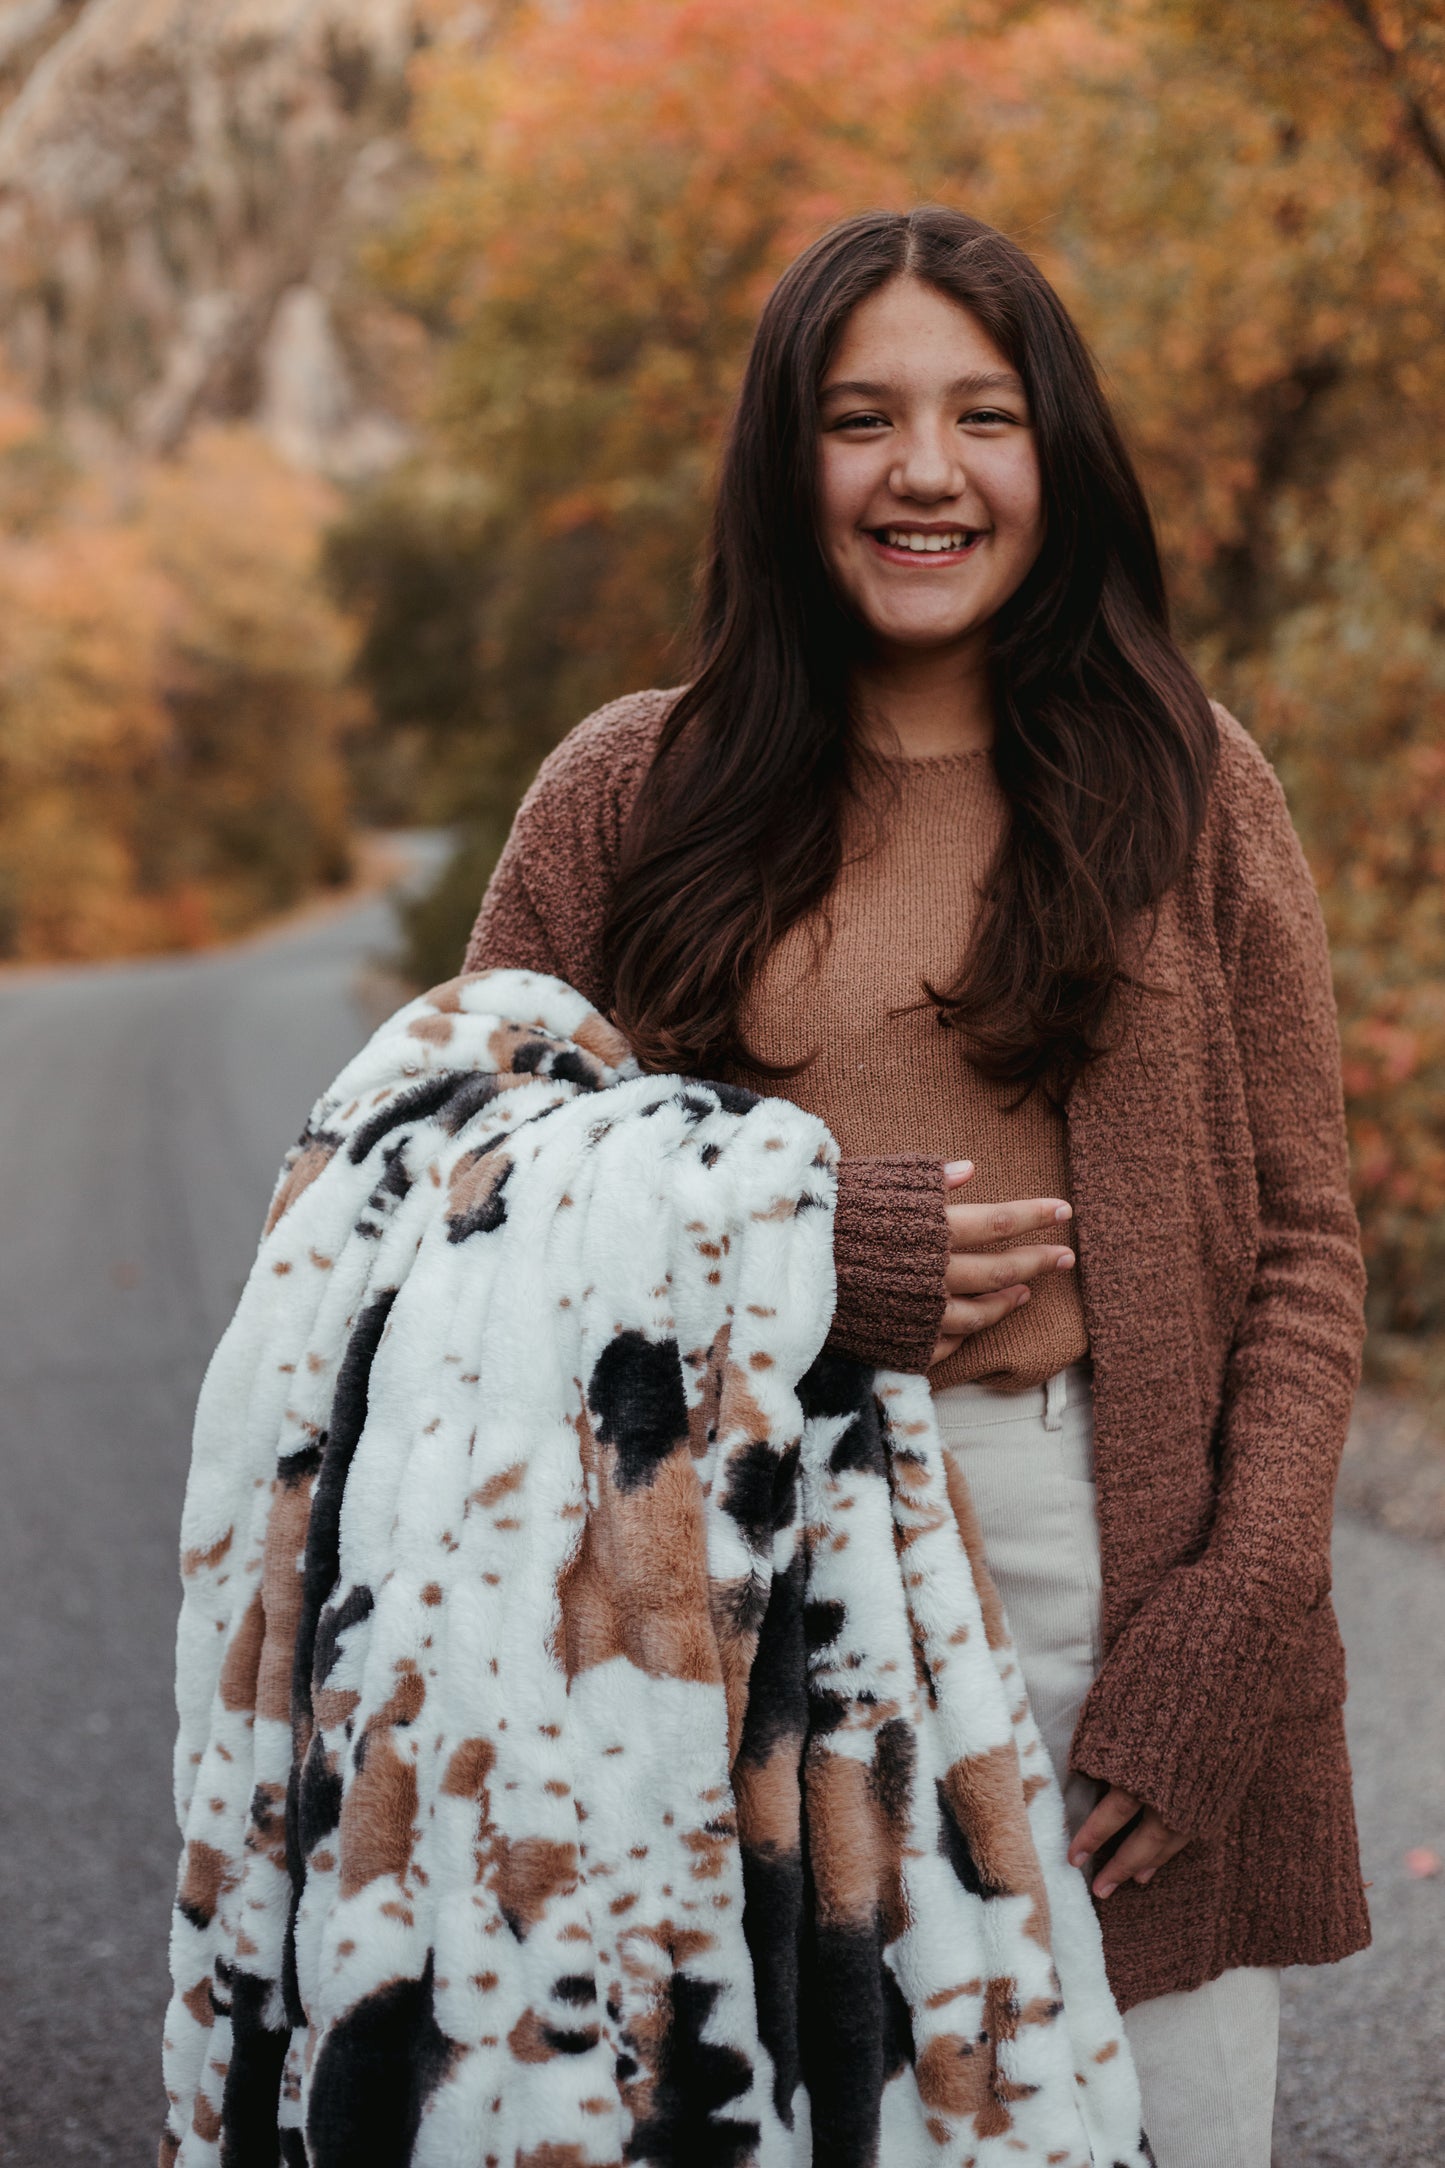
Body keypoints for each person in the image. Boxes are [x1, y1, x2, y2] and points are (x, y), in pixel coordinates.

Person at [462, 206, 1369, 2168]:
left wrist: (1228, 1619)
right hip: (719, 1582)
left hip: (1094, 1567)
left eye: (986, 414)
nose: (927, 472)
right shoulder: (630, 793)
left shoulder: (1184, 782)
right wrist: (794, 1253)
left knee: (1173, 2122)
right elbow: (453, 1198)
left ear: (1060, 456)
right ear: (787, 465)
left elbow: (1303, 1250)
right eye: (863, 418)